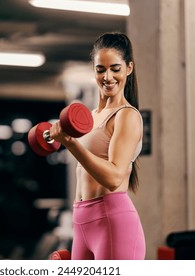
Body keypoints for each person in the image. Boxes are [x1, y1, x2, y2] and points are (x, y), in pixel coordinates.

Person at [50, 32, 146, 260]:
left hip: (113, 222)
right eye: (100, 69)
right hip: (81, 220)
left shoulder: (127, 116)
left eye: (115, 68)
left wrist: (71, 144)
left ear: (129, 68)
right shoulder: (91, 117)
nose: (108, 77)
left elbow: (113, 178)